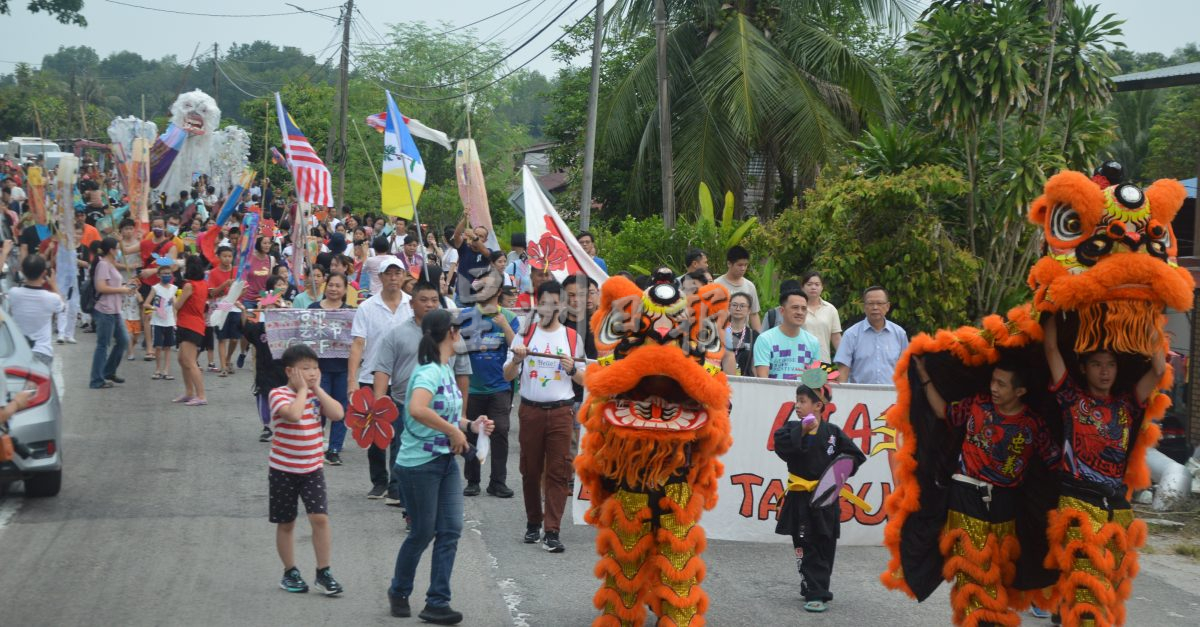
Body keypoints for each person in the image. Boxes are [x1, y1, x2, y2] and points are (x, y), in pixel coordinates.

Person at [913, 355, 1060, 627]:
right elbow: (942, 412)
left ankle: (990, 620)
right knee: (972, 570)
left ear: (1020, 391)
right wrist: (924, 374)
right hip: (965, 494)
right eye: (993, 380)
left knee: (998, 574)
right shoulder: (977, 404)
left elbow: (1055, 464)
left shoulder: (1033, 424)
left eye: (1001, 384)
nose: (993, 387)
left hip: (1006, 503)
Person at [1043, 314, 1163, 626]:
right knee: (1086, 586)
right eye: (1097, 364)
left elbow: (1159, 369)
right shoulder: (1071, 398)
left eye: (1110, 364)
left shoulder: (1128, 404)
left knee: (1103, 591)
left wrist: (1150, 321)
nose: (1105, 371)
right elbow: (1052, 349)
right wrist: (1052, 311)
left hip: (1114, 509)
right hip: (1076, 505)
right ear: (1083, 368)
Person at [386, 308, 494, 623]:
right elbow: (417, 408)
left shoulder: (445, 369)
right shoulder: (428, 371)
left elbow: (446, 415)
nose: (460, 334)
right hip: (419, 465)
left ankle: (437, 601)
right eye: (458, 329)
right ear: (450, 333)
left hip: (445, 462)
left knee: (450, 530)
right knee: (422, 532)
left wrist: (472, 425)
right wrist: (452, 431)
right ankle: (399, 590)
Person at [503, 280, 586, 553]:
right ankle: (532, 523)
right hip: (531, 411)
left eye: (555, 302)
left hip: (562, 412)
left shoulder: (572, 337)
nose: (549, 308)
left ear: (563, 305)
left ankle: (552, 530)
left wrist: (573, 369)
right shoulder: (524, 336)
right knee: (530, 470)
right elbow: (507, 375)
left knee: (559, 471)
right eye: (544, 302)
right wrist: (516, 359)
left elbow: (586, 380)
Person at [773, 379, 866, 613]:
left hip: (825, 497)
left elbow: (853, 456)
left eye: (802, 401)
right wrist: (802, 430)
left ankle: (816, 585)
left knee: (825, 543)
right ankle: (815, 591)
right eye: (796, 400)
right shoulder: (789, 430)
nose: (797, 405)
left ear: (819, 405)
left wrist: (839, 473)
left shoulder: (833, 433)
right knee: (805, 543)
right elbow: (782, 447)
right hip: (800, 498)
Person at [268, 343, 346, 597]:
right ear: (290, 371)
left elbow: (337, 414)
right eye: (305, 369)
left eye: (315, 368)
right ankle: (289, 571)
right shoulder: (278, 394)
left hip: (312, 467)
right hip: (283, 469)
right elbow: (292, 415)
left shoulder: (315, 394)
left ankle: (324, 571)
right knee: (286, 522)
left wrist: (317, 390)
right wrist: (303, 390)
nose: (312, 373)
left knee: (319, 518)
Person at [348, 258, 413, 502]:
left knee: (400, 432)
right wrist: (352, 381)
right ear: (381, 277)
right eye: (389, 273)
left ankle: (396, 486)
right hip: (371, 377)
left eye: (398, 273)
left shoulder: (411, 305)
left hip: (403, 379)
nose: (393, 278)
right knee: (375, 432)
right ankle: (379, 481)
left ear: (404, 276)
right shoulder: (367, 307)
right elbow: (357, 344)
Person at [459, 265, 519, 499]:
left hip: (500, 387)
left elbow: (517, 349)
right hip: (471, 386)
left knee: (501, 431)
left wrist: (504, 326)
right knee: (471, 432)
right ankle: (472, 480)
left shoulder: (510, 317)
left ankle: (498, 482)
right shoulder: (465, 316)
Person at [309, 272, 352, 466]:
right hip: (318, 369)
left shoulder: (351, 312)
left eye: (338, 286)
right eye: (331, 285)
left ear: (345, 290)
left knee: (341, 410)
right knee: (318, 408)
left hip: (343, 368)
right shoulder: (312, 309)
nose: (334, 289)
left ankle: (334, 449)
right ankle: (314, 446)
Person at [834, 286, 909, 384]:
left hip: (892, 395)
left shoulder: (899, 334)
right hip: (860, 396)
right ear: (864, 306)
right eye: (870, 303)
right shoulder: (851, 334)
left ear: (888, 306)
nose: (875, 307)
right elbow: (843, 371)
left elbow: (905, 370)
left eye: (879, 303)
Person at [244, 288, 288, 442]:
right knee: (263, 395)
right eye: (268, 307)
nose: (271, 310)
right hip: (264, 367)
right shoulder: (258, 327)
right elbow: (247, 330)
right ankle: (267, 426)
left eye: (274, 307)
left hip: (283, 368)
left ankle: (283, 425)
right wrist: (254, 311)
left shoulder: (286, 325)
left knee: (284, 396)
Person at [90, 237, 133, 389]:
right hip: (105, 310)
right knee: (103, 344)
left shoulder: (111, 264)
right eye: (117, 248)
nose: (119, 250)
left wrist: (125, 286)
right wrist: (121, 289)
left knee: (123, 340)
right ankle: (96, 379)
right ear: (111, 250)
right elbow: (101, 287)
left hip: (115, 310)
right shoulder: (102, 265)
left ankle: (109, 371)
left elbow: (113, 284)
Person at [7, 254, 65, 367]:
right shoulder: (52, 298)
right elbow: (62, 307)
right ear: (44, 273)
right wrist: (53, 284)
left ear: (22, 271)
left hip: (18, 351)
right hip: (42, 352)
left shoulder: (13, 293)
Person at [754, 288, 821, 380]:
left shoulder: (813, 342)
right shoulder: (765, 339)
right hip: (773, 393)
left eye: (804, 309)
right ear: (782, 311)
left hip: (802, 394)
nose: (800, 312)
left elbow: (815, 379)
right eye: (795, 307)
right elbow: (763, 378)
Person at [174, 256, 209, 406]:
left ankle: (201, 395)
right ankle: (189, 392)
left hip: (190, 324)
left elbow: (178, 305)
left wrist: (173, 299)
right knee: (182, 359)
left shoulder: (189, 285)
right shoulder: (203, 284)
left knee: (189, 361)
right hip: (192, 324)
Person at [714, 246, 762, 331]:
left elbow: (754, 314)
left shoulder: (749, 286)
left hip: (743, 336)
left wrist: (759, 338)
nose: (743, 268)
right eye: (739, 265)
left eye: (745, 265)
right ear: (729, 264)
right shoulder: (716, 285)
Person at [207, 246, 238, 376]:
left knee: (235, 338)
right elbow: (212, 293)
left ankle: (228, 358)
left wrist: (238, 291)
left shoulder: (237, 271)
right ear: (219, 257)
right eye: (224, 256)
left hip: (235, 305)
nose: (227, 259)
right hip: (221, 305)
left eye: (230, 256)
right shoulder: (213, 273)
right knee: (222, 337)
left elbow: (244, 289)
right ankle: (223, 366)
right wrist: (225, 284)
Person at [450, 210, 492, 305]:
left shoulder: (488, 252)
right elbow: (456, 235)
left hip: (479, 299)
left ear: (485, 240)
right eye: (475, 234)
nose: (476, 237)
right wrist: (465, 219)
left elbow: (486, 253)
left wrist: (474, 236)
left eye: (480, 236)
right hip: (461, 297)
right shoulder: (464, 248)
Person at [801, 272, 842, 364]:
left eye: (817, 284)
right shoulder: (797, 308)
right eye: (809, 284)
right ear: (802, 287)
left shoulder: (830, 309)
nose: (813, 287)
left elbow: (836, 338)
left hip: (823, 361)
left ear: (822, 287)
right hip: (800, 361)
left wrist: (844, 361)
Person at [148, 264, 178, 381]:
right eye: (164, 273)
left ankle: (166, 370)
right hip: (158, 321)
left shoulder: (173, 288)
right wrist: (155, 308)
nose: (167, 275)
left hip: (169, 321)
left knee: (168, 347)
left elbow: (176, 305)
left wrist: (176, 317)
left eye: (168, 273)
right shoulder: (155, 288)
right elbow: (146, 303)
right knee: (158, 346)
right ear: (159, 275)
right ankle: (157, 369)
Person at [725, 292, 759, 377]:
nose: (738, 309)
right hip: (721, 382)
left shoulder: (754, 336)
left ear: (749, 310)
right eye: (734, 305)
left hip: (746, 384)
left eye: (742, 306)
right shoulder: (720, 332)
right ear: (729, 307)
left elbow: (755, 366)